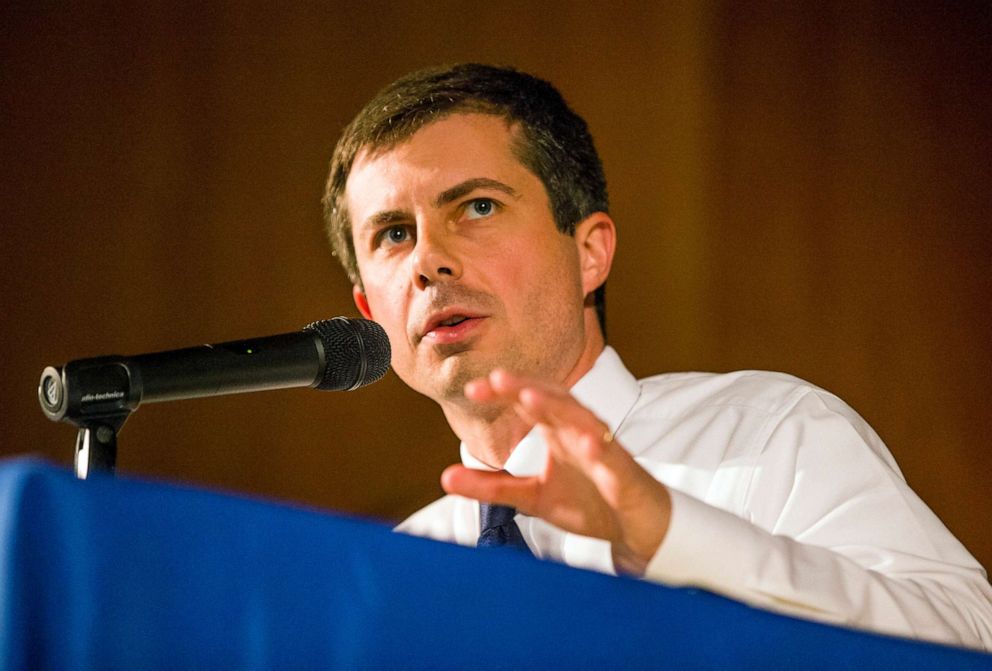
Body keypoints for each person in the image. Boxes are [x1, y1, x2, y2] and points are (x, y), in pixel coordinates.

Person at [322, 63, 992, 650]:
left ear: (590, 253)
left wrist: (678, 542)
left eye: (477, 205)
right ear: (369, 311)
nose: (427, 260)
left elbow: (967, 637)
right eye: (394, 233)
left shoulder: (770, 435)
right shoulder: (399, 572)